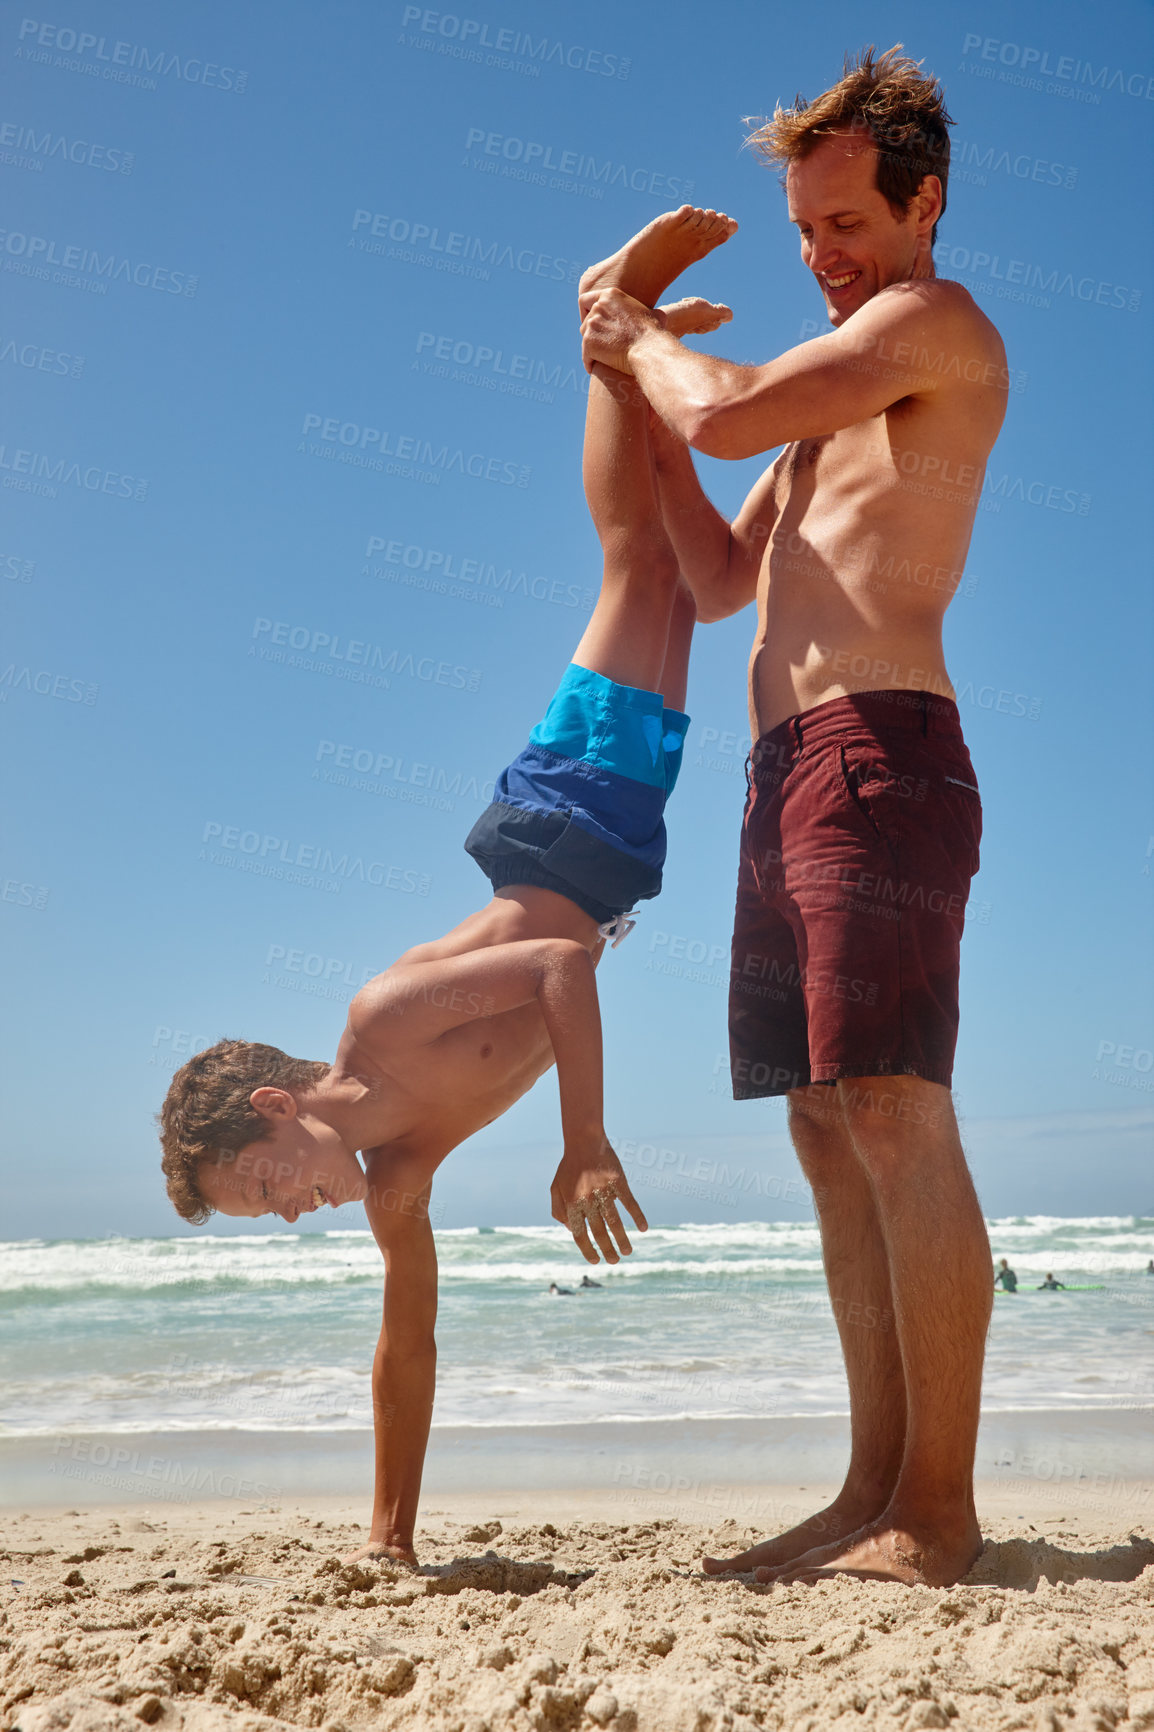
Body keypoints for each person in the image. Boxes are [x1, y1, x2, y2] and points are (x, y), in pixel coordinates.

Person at [157, 251, 736, 1565]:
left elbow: (557, 974)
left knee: (635, 562)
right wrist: (389, 1543)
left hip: (556, 812)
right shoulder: (397, 1179)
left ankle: (607, 320)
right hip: (617, 854)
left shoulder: (379, 1025)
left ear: (275, 1108)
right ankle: (651, 365)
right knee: (698, 581)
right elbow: (404, 1347)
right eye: (269, 1212)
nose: (292, 1209)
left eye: (268, 1186)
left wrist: (584, 1141)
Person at [579, 47, 1006, 1589]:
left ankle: (939, 1513)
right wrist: (619, 375)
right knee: (829, 1129)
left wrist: (643, 338)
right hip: (784, 770)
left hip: (884, 751)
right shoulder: (833, 396)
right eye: (805, 230)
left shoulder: (927, 327)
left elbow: (734, 411)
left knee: (892, 1107)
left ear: (922, 204)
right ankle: (870, 1490)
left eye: (842, 223)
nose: (820, 257)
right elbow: (705, 573)